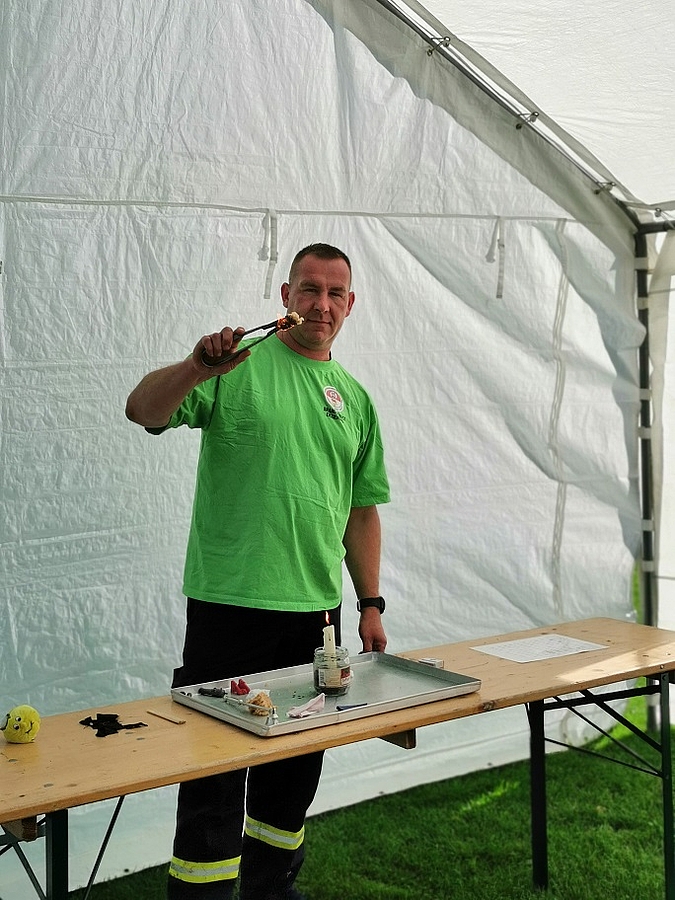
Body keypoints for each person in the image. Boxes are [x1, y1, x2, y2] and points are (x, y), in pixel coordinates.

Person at [125, 243, 390, 900]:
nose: (321, 304)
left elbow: (361, 510)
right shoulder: (234, 365)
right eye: (309, 289)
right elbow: (142, 410)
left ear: (350, 305)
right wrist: (196, 366)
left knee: (292, 775)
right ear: (285, 296)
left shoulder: (355, 399)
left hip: (316, 617)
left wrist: (370, 603)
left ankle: (272, 890)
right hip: (230, 607)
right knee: (214, 772)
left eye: (334, 293)